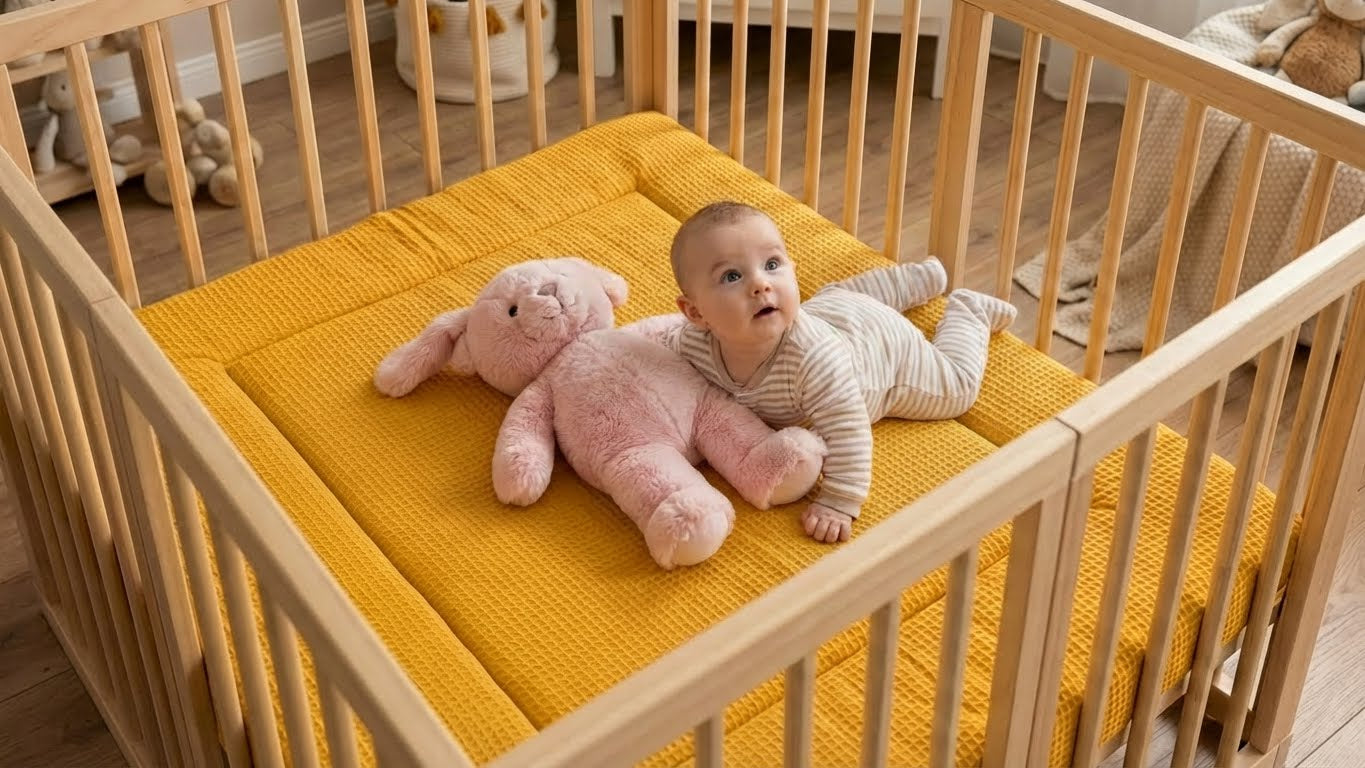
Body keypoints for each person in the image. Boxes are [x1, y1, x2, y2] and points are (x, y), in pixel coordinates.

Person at [658, 201, 1017, 543]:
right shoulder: (691, 345)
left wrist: (839, 500)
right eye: (732, 276)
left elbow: (848, 430)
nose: (760, 284)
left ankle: (970, 312)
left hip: (883, 355)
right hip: (834, 310)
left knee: (958, 389)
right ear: (695, 313)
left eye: (772, 264)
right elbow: (659, 367)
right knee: (834, 298)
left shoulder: (813, 360)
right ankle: (917, 280)